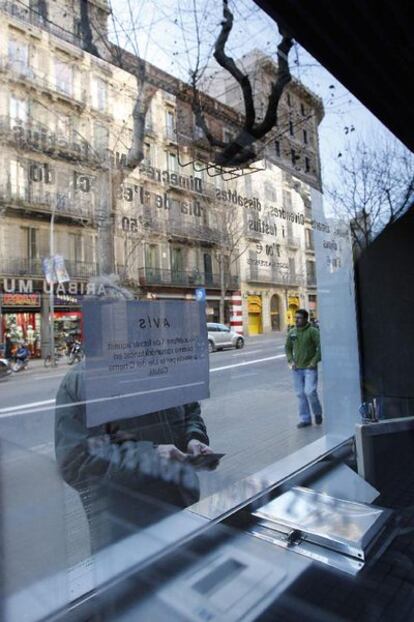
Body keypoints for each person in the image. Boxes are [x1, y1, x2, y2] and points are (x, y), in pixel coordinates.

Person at [54, 277, 216, 552]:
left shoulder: (159, 364)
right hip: (125, 529)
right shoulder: (80, 381)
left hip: (181, 506)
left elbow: (189, 410)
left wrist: (193, 438)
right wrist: (151, 455)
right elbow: (75, 462)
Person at [285, 308, 323, 428]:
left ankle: (317, 412)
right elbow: (287, 348)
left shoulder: (313, 331)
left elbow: (321, 347)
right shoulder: (292, 332)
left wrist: (314, 361)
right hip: (296, 369)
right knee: (300, 394)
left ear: (306, 319)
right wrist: (291, 360)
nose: (296, 320)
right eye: (295, 318)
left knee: (310, 392)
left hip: (309, 368)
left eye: (299, 318)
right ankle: (305, 419)